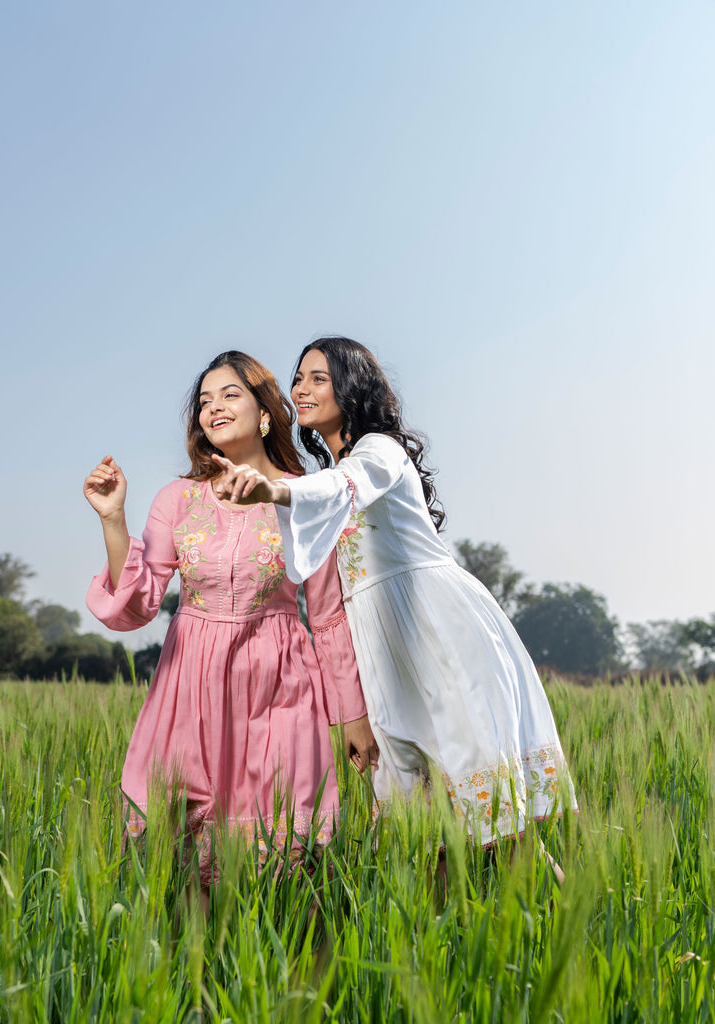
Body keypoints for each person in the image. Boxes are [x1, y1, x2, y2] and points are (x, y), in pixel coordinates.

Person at [211, 336, 577, 848]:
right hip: (385, 652)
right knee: (426, 842)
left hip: (438, 636)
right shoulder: (328, 475)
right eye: (299, 379)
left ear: (353, 387)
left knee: (500, 834)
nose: (302, 389)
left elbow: (344, 486)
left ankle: (555, 925)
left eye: (320, 378)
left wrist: (274, 489)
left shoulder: (377, 451)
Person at [84, 350, 375, 881]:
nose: (212, 408)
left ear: (266, 412)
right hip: (190, 693)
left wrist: (354, 719)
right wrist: (112, 519)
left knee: (284, 864)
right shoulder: (177, 499)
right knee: (188, 876)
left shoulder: (303, 496)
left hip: (280, 688)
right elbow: (139, 601)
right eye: (203, 401)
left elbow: (329, 614)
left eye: (229, 394)